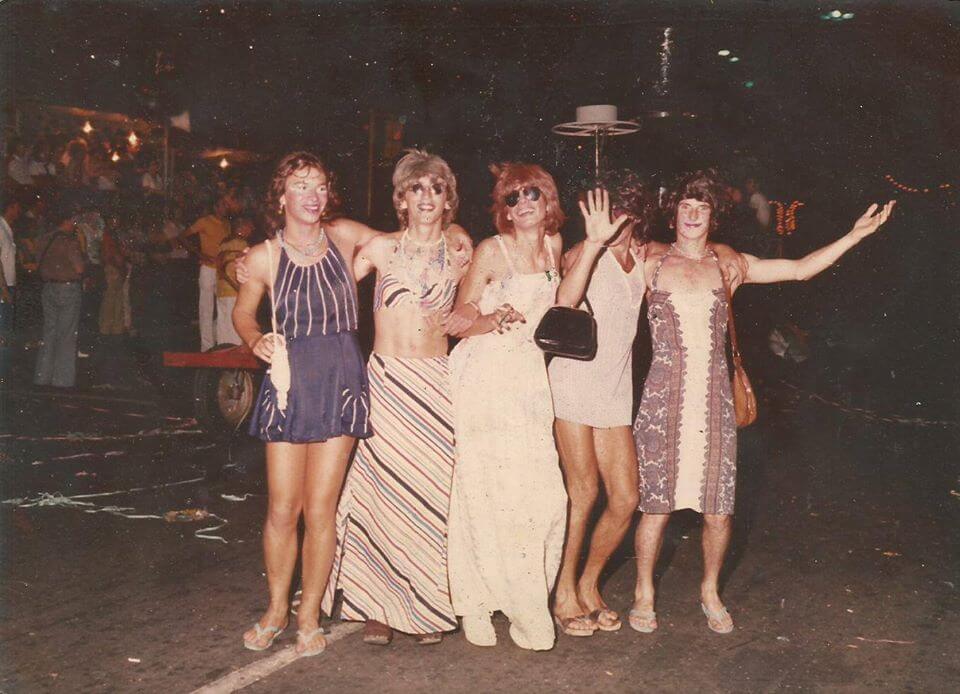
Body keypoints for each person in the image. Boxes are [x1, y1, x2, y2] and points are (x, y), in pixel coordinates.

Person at [630, 170, 894, 635]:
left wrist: (854, 236)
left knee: (718, 509)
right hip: (661, 398)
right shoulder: (648, 261)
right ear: (672, 213)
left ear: (713, 216)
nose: (692, 216)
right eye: (685, 207)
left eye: (702, 208)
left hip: (713, 401)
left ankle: (710, 590)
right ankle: (643, 593)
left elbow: (799, 269)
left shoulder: (727, 265)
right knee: (656, 506)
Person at [549, 172, 746, 637]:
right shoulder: (585, 252)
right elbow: (565, 301)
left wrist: (728, 253)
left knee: (627, 499)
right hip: (575, 385)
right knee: (584, 495)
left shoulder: (642, 258)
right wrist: (594, 243)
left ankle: (589, 584)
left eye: (622, 213)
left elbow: (699, 257)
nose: (614, 222)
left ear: (636, 215)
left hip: (616, 392)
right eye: (604, 213)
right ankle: (564, 594)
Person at [444, 163, 625, 651]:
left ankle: (523, 601)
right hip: (485, 377)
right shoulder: (490, 250)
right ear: (503, 208)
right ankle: (478, 605)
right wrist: (487, 316)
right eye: (512, 197)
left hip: (528, 381)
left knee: (543, 498)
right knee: (484, 492)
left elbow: (566, 299)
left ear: (548, 202)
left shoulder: (553, 245)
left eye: (532, 194)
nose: (522, 203)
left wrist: (594, 243)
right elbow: (458, 322)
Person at [322, 150, 472, 647]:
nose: (426, 198)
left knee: (430, 496)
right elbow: (328, 280)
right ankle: (374, 605)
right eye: (416, 189)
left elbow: (479, 299)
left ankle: (427, 605)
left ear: (447, 197)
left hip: (437, 381)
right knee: (380, 493)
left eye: (435, 188)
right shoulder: (381, 248)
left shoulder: (461, 247)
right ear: (401, 199)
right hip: (386, 380)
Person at [232, 152, 379, 657]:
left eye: (319, 185)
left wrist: (458, 241)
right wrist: (255, 341)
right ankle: (276, 609)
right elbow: (243, 312)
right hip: (291, 382)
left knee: (321, 509)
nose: (312, 195)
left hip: (339, 375)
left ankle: (309, 612)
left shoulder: (342, 236)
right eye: (301, 185)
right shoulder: (261, 257)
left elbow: (401, 239)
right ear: (282, 196)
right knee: (282, 508)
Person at [33, 200, 85, 388]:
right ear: (70, 220)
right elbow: (79, 268)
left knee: (49, 332)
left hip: (48, 287)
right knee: (66, 334)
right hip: (68, 288)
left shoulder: (44, 239)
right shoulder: (69, 241)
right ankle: (62, 380)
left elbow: (38, 261)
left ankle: (42, 376)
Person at [180, 196, 231, 351]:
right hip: (208, 269)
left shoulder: (227, 224)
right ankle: (206, 347)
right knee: (206, 308)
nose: (225, 207)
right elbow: (183, 236)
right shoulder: (204, 221)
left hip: (221, 270)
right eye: (222, 204)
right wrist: (199, 254)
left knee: (223, 307)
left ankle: (220, 342)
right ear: (215, 207)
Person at [214, 217, 253, 346]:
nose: (251, 230)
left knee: (223, 326)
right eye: (249, 227)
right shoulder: (241, 244)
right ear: (241, 228)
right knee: (236, 327)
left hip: (221, 289)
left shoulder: (223, 243)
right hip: (234, 289)